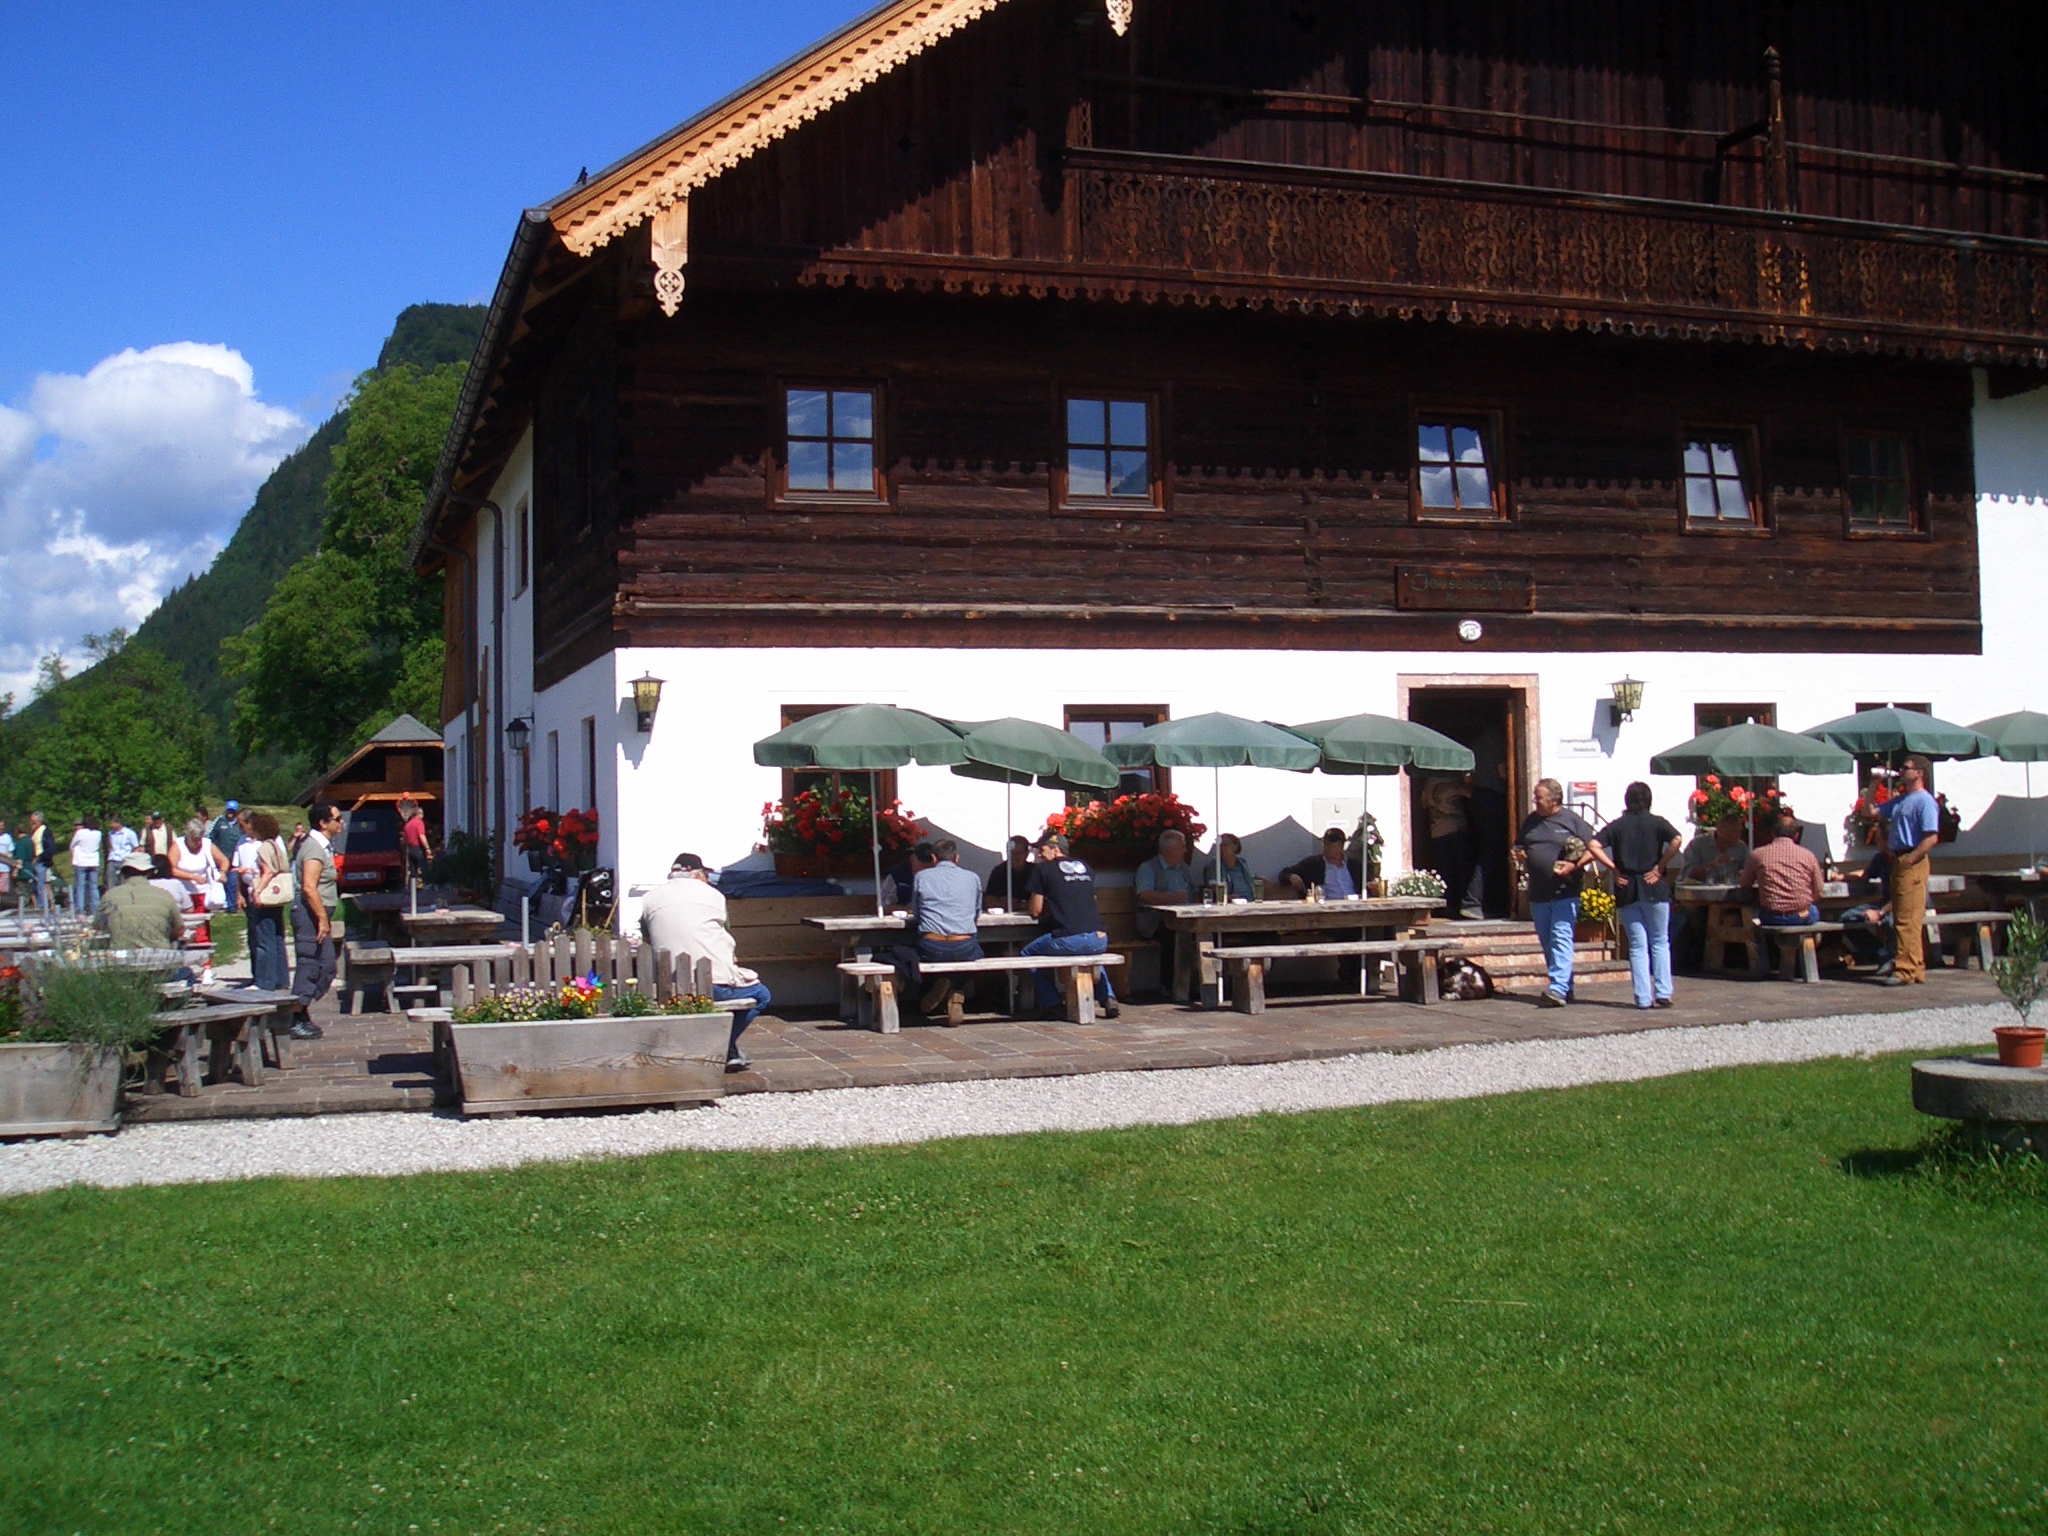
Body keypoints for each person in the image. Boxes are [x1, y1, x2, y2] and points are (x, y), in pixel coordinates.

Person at [640, 852, 771, 1071]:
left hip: (667, 986)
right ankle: (722, 1046)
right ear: (699, 875)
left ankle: (722, 1049)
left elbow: (647, 939)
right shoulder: (714, 896)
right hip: (711, 985)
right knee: (761, 995)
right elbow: (722, 932)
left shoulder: (650, 898)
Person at [1591, 782, 1683, 1011]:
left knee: (1637, 945)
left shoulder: (1618, 825)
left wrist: (1614, 870)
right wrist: (1660, 866)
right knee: (1660, 941)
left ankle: (1642, 997)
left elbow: (1593, 845)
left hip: (1627, 886)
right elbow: (1677, 839)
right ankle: (1663, 992)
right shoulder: (1657, 822)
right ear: (1649, 801)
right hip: (1654, 886)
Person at [1513, 779, 1598, 1008]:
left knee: (1561, 936)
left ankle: (1558, 987)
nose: (1535, 801)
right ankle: (1565, 986)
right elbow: (1519, 845)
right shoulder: (1531, 821)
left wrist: (1575, 865)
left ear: (1555, 800)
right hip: (1538, 892)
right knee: (1548, 942)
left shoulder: (1571, 820)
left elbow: (1594, 848)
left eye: (1539, 797)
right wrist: (1519, 854)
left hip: (1565, 890)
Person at [1021, 832, 1118, 1017]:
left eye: (1042, 850)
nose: (1039, 854)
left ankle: (1053, 1003)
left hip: (1069, 938)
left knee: (1028, 954)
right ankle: (1109, 998)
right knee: (1089, 953)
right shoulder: (1084, 867)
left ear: (1056, 849)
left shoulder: (1043, 869)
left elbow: (1035, 910)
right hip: (1099, 938)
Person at [894, 837, 984, 1014]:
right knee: (978, 953)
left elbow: (917, 913)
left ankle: (941, 987)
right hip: (964, 944)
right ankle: (956, 990)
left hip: (932, 945)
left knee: (902, 952)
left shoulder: (921, 877)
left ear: (933, 858)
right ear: (956, 858)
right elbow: (976, 912)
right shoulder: (973, 878)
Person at [1882, 757, 1942, 987]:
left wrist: (1910, 859)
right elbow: (1871, 812)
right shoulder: (1902, 800)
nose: (1901, 770)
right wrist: (1874, 784)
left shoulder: (1925, 801)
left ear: (1919, 773)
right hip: (1898, 859)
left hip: (1911, 860)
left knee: (1907, 919)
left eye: (1905, 768)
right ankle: (1915, 967)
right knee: (1904, 916)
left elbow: (1931, 837)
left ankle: (1904, 970)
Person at [289, 802, 344, 1039]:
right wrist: (322, 918)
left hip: (318, 915)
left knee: (327, 966)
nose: (341, 822)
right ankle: (294, 1018)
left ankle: (300, 1010)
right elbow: (309, 888)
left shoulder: (324, 846)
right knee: (310, 964)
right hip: (309, 915)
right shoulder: (313, 848)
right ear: (323, 823)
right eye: (337, 819)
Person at [1134, 829, 1204, 995]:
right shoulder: (1148, 868)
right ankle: (1170, 984)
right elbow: (1144, 895)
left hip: (1186, 919)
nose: (1185, 850)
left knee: (1206, 933)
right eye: (1182, 847)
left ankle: (1200, 982)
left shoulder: (1183, 868)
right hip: (1154, 921)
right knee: (1174, 935)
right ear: (1170, 849)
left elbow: (1193, 892)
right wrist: (1171, 898)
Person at [1740, 811, 1827, 930]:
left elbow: (1744, 884)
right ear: (1796, 835)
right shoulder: (1808, 856)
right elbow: (1819, 891)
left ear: (1773, 833)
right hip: (1801, 916)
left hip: (1772, 917)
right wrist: (1803, 903)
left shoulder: (1758, 855)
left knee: (1757, 915)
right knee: (1813, 910)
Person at [242, 811, 293, 992]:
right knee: (278, 938)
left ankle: (265, 981)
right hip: (279, 897)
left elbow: (268, 871)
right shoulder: (276, 846)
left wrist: (257, 891)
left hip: (267, 896)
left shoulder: (264, 847)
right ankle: (281, 978)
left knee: (264, 940)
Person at [97, 850, 185, 952]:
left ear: (123, 873)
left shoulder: (109, 896)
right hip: (159, 956)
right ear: (150, 872)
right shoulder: (165, 896)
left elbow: (98, 926)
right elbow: (179, 929)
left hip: (122, 957)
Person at [1424, 774, 1477, 920]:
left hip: (1439, 831)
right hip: (1453, 830)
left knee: (1447, 871)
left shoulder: (1430, 781)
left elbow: (1425, 802)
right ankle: (1455, 906)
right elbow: (1470, 793)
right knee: (1460, 871)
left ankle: (1449, 906)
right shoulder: (1447, 781)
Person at [1839, 848, 1896, 971]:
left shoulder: (1902, 859)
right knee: (1848, 918)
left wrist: (1880, 913)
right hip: (1884, 902)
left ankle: (1894, 959)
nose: (1876, 843)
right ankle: (1880, 952)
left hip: (1902, 905)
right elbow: (1866, 874)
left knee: (1890, 922)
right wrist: (1842, 876)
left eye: (1878, 839)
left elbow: (1902, 896)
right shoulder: (1880, 858)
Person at [1282, 827, 1364, 900]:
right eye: (1324, 844)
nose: (1326, 848)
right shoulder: (1313, 864)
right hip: (1327, 908)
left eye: (1330, 845)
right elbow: (1284, 874)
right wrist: (1292, 877)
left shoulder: (1354, 865)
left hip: (1355, 906)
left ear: (1341, 846)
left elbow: (1366, 884)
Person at [1679, 810, 1752, 885]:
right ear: (1720, 831)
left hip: (1731, 890)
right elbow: (1687, 873)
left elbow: (1749, 871)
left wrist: (1745, 874)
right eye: (1734, 832)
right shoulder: (1699, 844)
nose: (1738, 836)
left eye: (1740, 831)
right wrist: (1713, 865)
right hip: (1700, 890)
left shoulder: (1741, 848)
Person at [171, 817, 228, 911]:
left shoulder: (207, 844)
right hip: (184, 892)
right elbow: (172, 869)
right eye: (194, 840)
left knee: (202, 919)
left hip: (203, 893)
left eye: (199, 839)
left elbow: (224, 860)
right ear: (188, 836)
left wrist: (223, 872)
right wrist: (193, 877)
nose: (198, 842)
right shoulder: (178, 845)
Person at [208, 801, 245, 914]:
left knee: (232, 883)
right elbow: (210, 838)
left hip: (234, 860)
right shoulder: (220, 822)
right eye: (229, 810)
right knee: (220, 882)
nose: (230, 813)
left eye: (233, 811)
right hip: (220, 859)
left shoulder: (239, 824)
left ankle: (231, 906)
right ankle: (220, 904)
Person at [984, 836, 1034, 911]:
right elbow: (988, 901)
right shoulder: (999, 871)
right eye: (1011, 853)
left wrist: (1020, 904)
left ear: (1027, 854)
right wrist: (1006, 904)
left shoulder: (1035, 871)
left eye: (1018, 853)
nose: (1014, 857)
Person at [882, 841, 936, 909]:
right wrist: (906, 908)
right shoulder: (896, 875)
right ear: (912, 859)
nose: (925, 871)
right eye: (922, 866)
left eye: (929, 867)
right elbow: (883, 905)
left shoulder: (938, 877)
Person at [68, 814, 104, 915]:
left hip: (81, 861)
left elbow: (72, 844)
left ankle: (80, 909)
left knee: (80, 886)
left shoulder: (80, 833)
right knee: (93, 886)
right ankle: (95, 909)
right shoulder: (98, 833)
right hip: (94, 861)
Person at [26, 811, 55, 914]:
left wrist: (40, 858)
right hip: (34, 862)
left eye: (33, 821)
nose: (31, 823)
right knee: (35, 885)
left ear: (39, 821)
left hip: (41, 862)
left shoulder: (45, 832)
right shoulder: (34, 832)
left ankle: (42, 906)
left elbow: (51, 848)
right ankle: (39, 904)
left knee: (41, 885)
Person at [399, 797, 432, 885]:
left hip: (410, 849)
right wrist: (427, 848)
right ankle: (427, 885)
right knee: (424, 868)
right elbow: (421, 836)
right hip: (418, 848)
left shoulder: (407, 825)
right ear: (419, 814)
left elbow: (404, 840)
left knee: (412, 871)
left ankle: (412, 888)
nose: (423, 816)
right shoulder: (419, 822)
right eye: (422, 814)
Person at [1215, 832, 1256, 902]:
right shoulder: (1213, 867)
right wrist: (1228, 897)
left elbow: (1251, 879)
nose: (1221, 848)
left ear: (1235, 847)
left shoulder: (1243, 863)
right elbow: (1214, 889)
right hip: (1233, 903)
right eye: (1219, 846)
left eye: (1225, 845)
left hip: (1251, 901)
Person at [0, 820, 14, 898]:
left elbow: (10, 852)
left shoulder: (7, 837)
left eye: (2, 825)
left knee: (2, 891)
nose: (1, 827)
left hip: (4, 868)